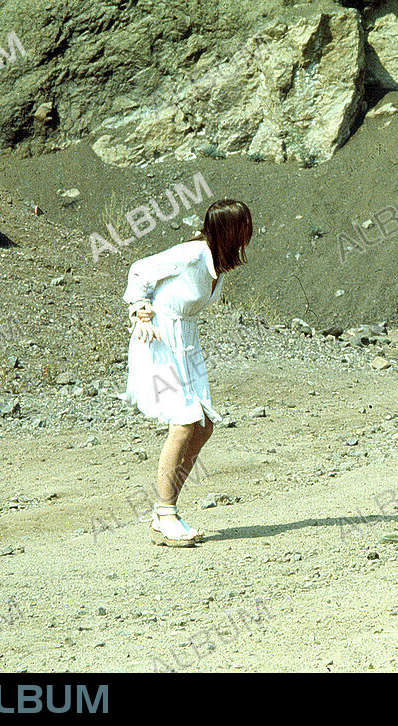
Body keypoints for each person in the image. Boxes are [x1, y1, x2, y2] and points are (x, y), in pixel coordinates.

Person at [120, 199, 252, 546]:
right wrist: (139, 307)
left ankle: (164, 511)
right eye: (244, 228)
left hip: (187, 346)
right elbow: (139, 270)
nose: (249, 236)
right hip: (158, 345)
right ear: (230, 231)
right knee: (183, 423)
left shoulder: (216, 263)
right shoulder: (191, 253)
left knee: (203, 425)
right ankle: (165, 514)